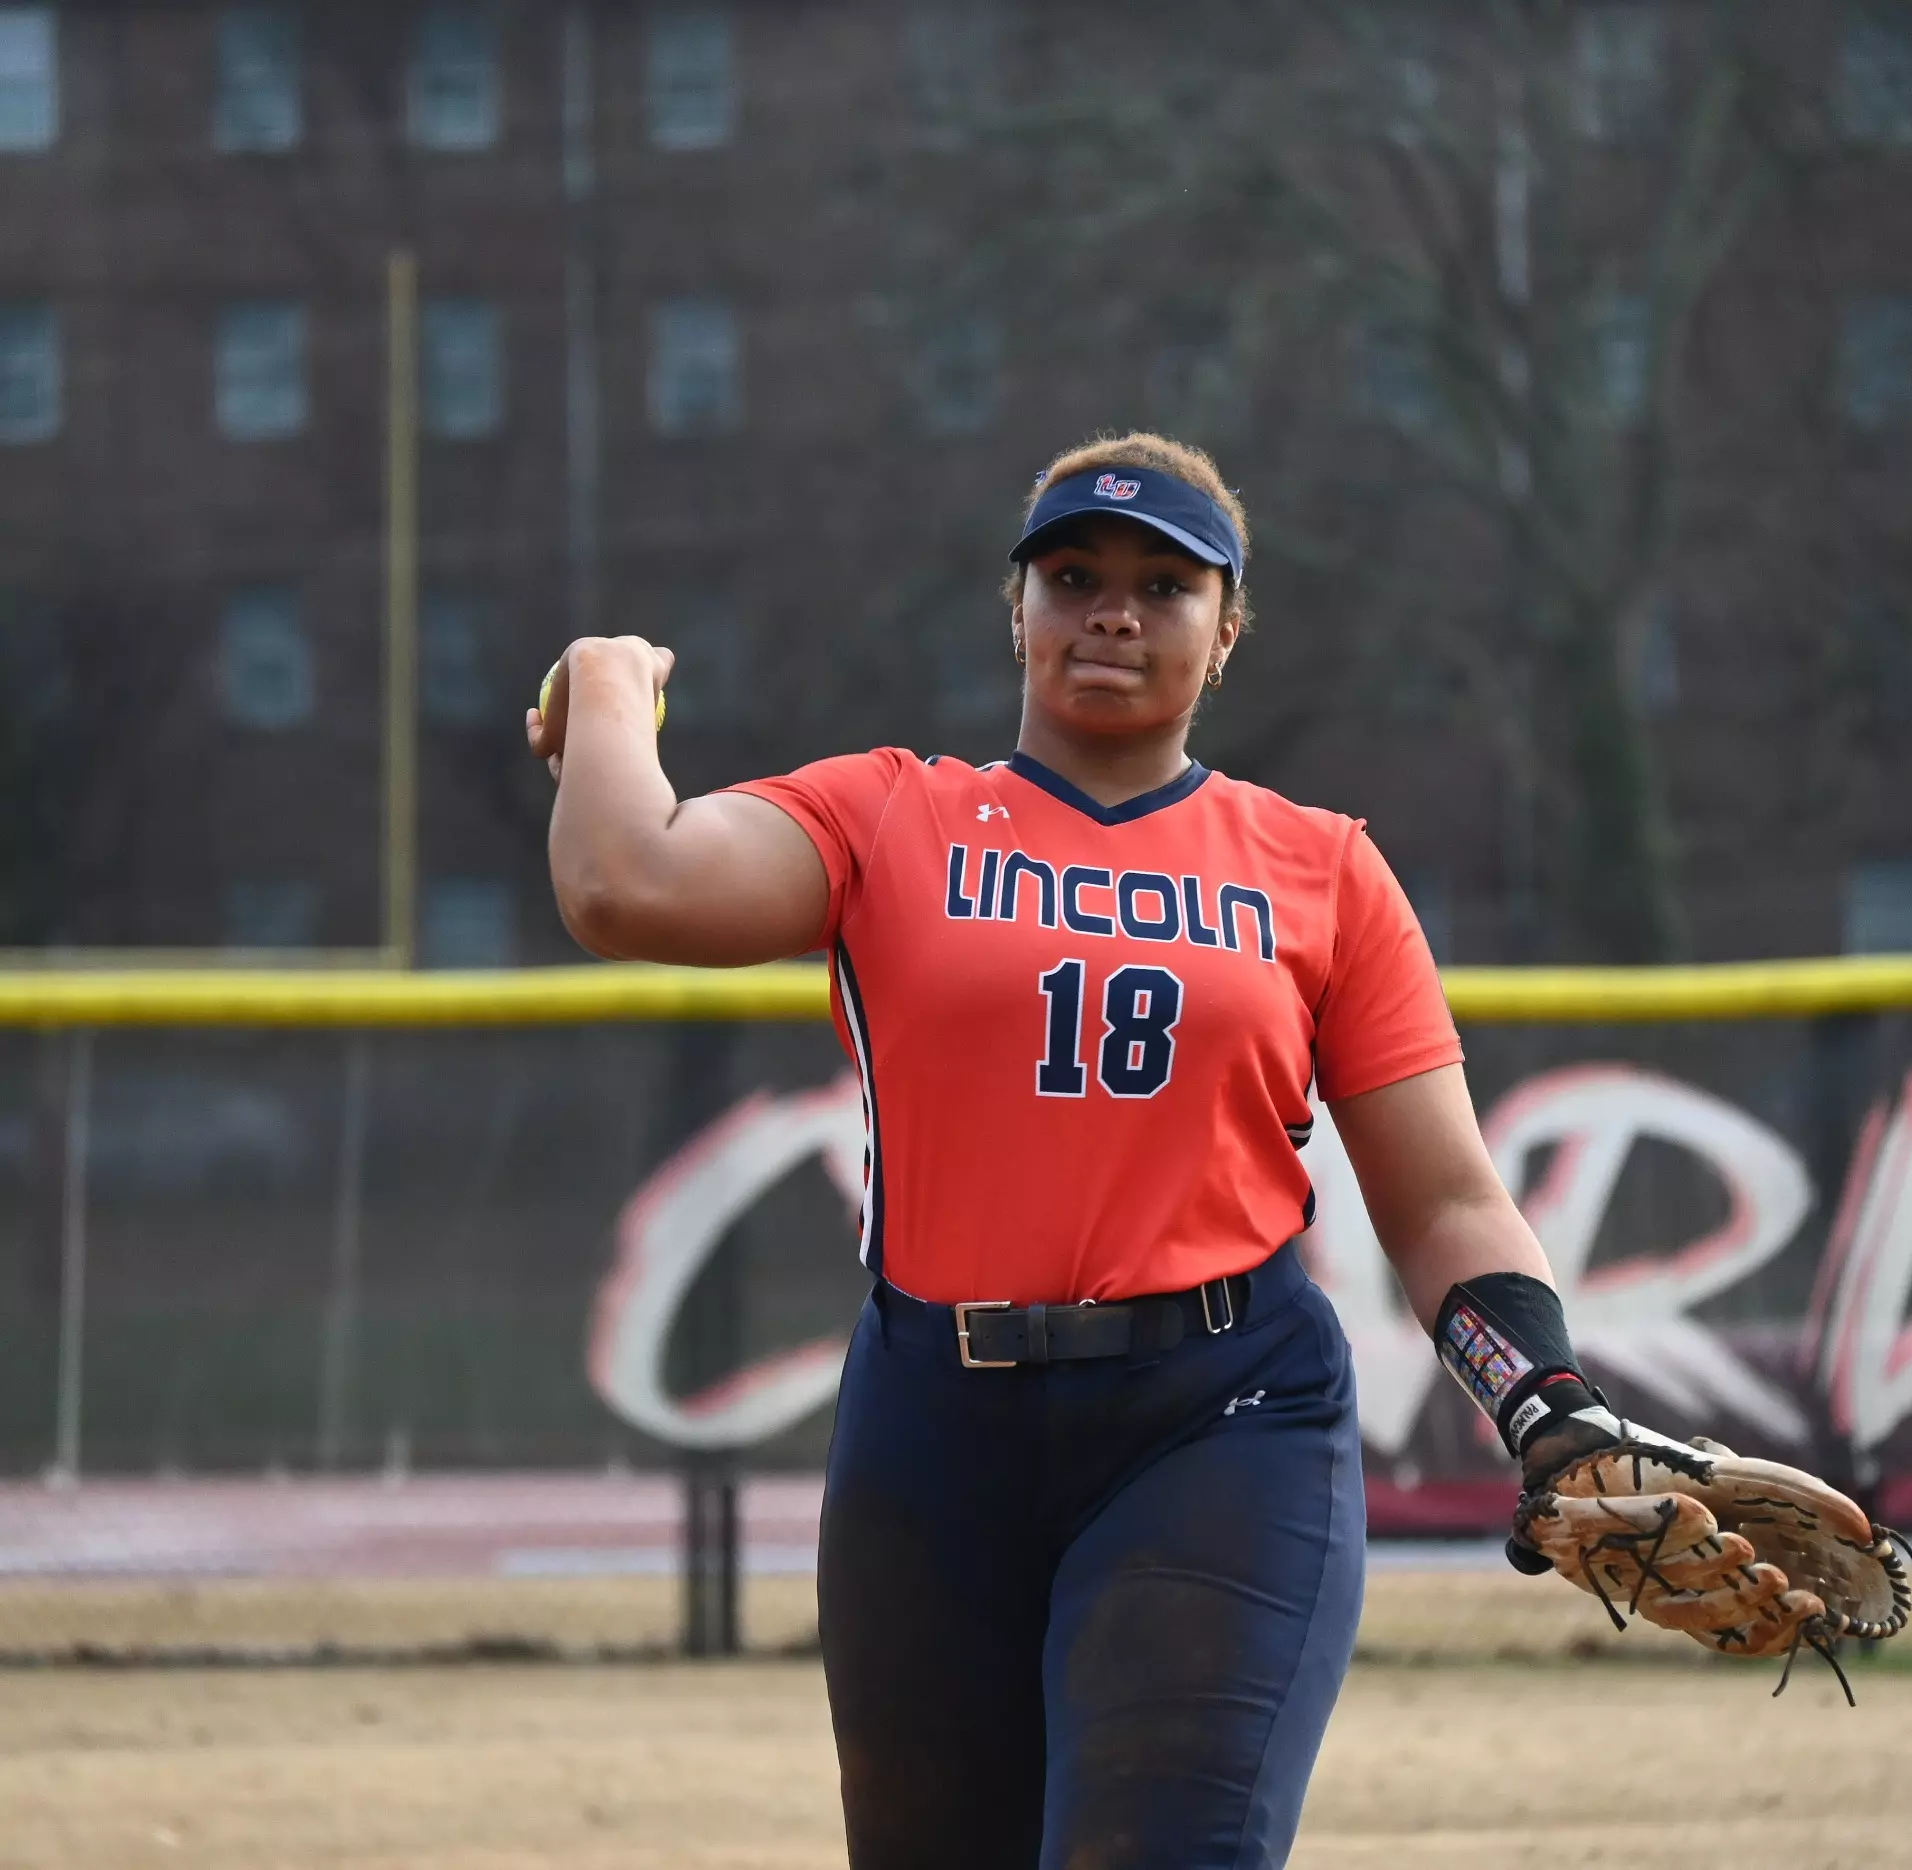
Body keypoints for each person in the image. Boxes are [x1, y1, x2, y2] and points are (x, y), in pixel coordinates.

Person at [528, 433, 1613, 1869]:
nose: (1114, 608)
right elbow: (623, 881)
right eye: (1075, 574)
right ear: (1017, 606)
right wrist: (610, 679)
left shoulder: (1318, 866)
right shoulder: (887, 816)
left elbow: (1449, 1201)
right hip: (934, 1425)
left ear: (1227, 631)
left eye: (1166, 584)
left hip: (1221, 1417)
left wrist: (1544, 1400)